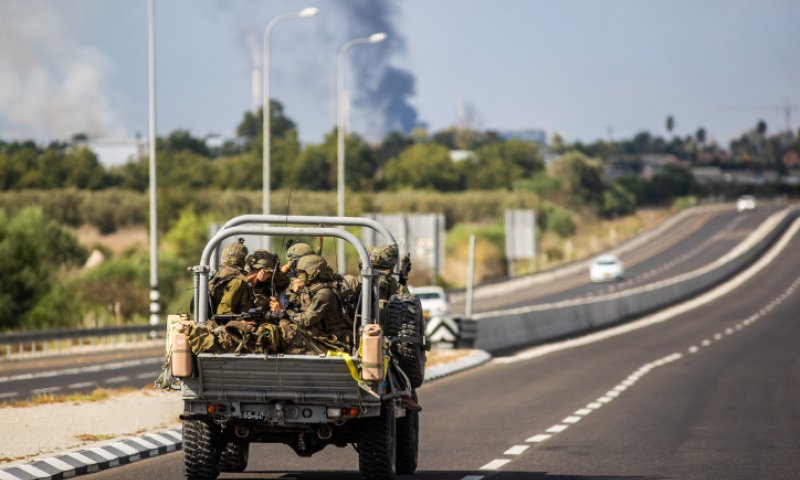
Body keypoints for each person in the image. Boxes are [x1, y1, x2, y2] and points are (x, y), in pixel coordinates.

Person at [269, 254, 352, 353]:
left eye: (302, 273)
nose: (298, 276)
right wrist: (295, 293)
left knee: (291, 333)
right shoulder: (309, 288)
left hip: (333, 340)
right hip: (318, 334)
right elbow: (294, 310)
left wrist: (281, 312)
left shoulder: (324, 293)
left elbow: (305, 321)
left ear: (314, 273)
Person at [208, 239, 248, 314]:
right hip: (223, 322)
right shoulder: (237, 281)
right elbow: (223, 312)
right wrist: (242, 321)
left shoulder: (217, 274)